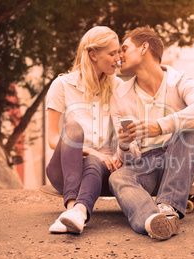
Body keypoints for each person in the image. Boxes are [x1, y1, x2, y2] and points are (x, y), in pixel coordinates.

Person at [109, 26, 194, 240]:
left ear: (144, 48)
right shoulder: (119, 96)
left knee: (193, 125)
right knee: (117, 178)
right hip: (146, 165)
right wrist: (124, 145)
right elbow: (129, 158)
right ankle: (153, 221)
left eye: (124, 49)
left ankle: (168, 207)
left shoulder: (180, 81)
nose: (119, 56)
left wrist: (161, 126)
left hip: (178, 161)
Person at [46, 26, 123, 234]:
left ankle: (74, 214)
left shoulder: (118, 86)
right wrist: (90, 151)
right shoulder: (61, 85)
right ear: (93, 55)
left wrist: (116, 155)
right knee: (72, 130)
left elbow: (125, 131)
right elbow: (53, 139)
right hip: (64, 170)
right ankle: (72, 207)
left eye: (119, 52)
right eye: (112, 53)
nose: (119, 58)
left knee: (94, 161)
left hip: (102, 172)